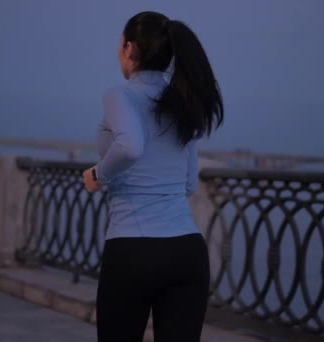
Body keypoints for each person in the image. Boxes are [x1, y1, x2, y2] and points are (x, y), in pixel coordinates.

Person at [82, 10, 224, 342]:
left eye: (120, 44)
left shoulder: (120, 95)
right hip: (187, 254)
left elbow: (130, 146)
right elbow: (189, 183)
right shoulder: (183, 102)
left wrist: (98, 175)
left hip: (132, 250)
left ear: (130, 49)